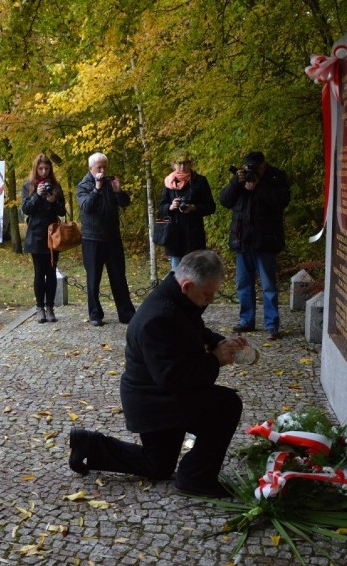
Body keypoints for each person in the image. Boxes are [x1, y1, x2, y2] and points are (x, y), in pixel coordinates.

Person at [68, 250, 247, 497]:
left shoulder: (177, 299)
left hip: (158, 394)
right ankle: (196, 477)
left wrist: (220, 342)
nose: (212, 299)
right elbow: (174, 378)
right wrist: (215, 360)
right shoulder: (160, 317)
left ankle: (89, 444)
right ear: (187, 286)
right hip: (154, 401)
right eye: (208, 294)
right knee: (227, 404)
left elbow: (193, 330)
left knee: (159, 465)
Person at [219, 151, 291, 340]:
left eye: (255, 167)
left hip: (266, 240)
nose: (252, 170)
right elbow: (224, 201)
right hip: (242, 240)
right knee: (243, 284)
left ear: (263, 165)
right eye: (248, 167)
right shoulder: (240, 179)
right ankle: (246, 321)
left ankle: (271, 325)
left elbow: (281, 201)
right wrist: (236, 182)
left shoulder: (276, 176)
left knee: (268, 285)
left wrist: (258, 187)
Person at [76, 152, 136, 327]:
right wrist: (96, 188)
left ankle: (126, 313)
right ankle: (95, 314)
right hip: (92, 238)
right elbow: (86, 207)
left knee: (119, 277)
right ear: (90, 169)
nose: (102, 170)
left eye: (104, 167)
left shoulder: (110, 182)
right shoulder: (83, 185)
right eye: (99, 167)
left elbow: (125, 203)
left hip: (112, 237)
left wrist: (119, 192)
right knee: (93, 278)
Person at [21, 153, 66, 323]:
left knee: (51, 271)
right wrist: (37, 196)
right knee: (39, 272)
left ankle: (50, 307)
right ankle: (40, 307)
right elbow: (26, 209)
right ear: (35, 169)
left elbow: (62, 211)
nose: (43, 171)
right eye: (40, 168)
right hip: (36, 235)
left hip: (53, 234)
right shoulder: (28, 186)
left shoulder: (55, 185)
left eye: (46, 168)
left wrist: (54, 201)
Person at [158, 152, 216, 270]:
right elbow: (161, 207)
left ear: (190, 164)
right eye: (179, 163)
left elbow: (211, 206)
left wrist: (194, 208)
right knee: (177, 272)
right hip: (175, 234)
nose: (182, 166)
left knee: (196, 271)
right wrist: (170, 206)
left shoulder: (200, 181)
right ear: (173, 165)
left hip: (194, 234)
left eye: (185, 163)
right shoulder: (169, 182)